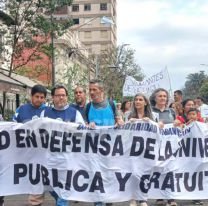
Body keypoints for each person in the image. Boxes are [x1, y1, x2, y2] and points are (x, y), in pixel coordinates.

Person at [43, 84, 85, 206]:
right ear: (52, 97)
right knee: (51, 186)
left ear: (67, 97)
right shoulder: (45, 112)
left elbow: (83, 133)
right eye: (58, 95)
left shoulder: (75, 113)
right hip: (50, 158)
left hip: (68, 158)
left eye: (63, 95)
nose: (61, 98)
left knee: (63, 190)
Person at [85, 79, 121, 206]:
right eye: (90, 90)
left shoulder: (111, 104)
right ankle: (98, 201)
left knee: (109, 175)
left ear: (101, 90)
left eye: (94, 89)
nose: (91, 92)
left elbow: (119, 121)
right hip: (94, 149)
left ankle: (109, 200)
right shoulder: (88, 107)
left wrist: (118, 123)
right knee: (96, 176)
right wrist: (88, 124)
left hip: (110, 149)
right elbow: (83, 125)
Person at [13, 84, 47, 206]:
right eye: (37, 96)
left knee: (40, 180)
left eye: (42, 97)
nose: (39, 99)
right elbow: (12, 128)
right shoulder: (21, 110)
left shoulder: (47, 111)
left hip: (42, 153)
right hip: (25, 152)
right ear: (31, 96)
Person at [150, 88, 177, 206]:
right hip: (155, 145)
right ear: (155, 98)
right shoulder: (150, 111)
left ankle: (171, 198)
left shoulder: (171, 111)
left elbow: (177, 125)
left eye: (164, 96)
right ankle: (159, 197)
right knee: (158, 170)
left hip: (169, 146)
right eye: (160, 96)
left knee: (170, 171)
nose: (162, 98)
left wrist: (177, 124)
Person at [127, 93, 154, 206]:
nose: (137, 101)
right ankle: (133, 197)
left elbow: (159, 128)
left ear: (146, 102)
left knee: (144, 173)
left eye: (140, 99)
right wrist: (129, 123)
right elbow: (122, 130)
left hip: (147, 149)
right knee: (133, 173)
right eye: (136, 99)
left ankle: (143, 199)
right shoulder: (129, 115)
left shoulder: (153, 116)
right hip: (132, 149)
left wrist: (151, 122)